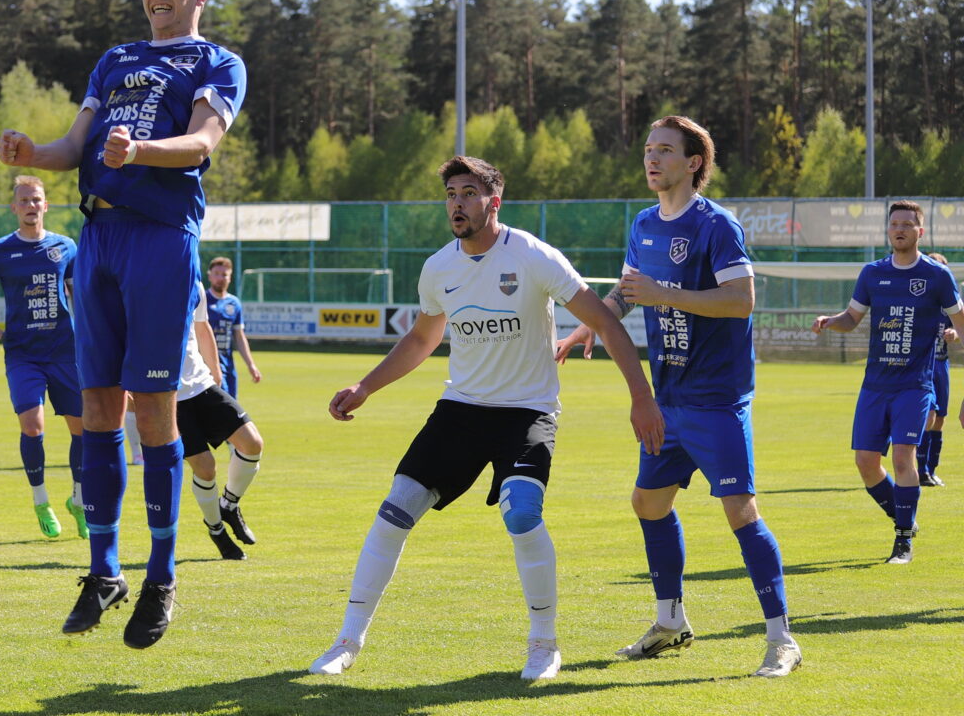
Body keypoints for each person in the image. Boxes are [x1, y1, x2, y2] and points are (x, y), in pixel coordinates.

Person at [308, 155, 664, 681]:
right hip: (461, 410)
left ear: (493, 201)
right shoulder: (439, 268)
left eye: (468, 193)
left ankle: (544, 645)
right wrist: (365, 386)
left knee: (522, 514)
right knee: (395, 508)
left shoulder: (534, 256)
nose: (457, 203)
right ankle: (346, 641)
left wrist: (641, 397)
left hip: (527, 411)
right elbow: (422, 339)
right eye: (451, 193)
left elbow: (606, 323)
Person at [0, 0, 247, 650]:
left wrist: (137, 152)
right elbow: (76, 145)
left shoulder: (216, 62)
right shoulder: (114, 58)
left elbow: (201, 143)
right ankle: (104, 570)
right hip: (98, 239)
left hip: (162, 239)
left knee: (155, 413)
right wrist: (30, 152)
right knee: (100, 409)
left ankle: (162, 575)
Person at [557, 115, 801, 678]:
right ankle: (670, 622)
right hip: (666, 398)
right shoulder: (643, 223)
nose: (652, 159)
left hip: (717, 399)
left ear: (693, 163)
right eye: (648, 149)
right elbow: (625, 293)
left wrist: (664, 292)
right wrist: (589, 325)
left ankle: (781, 638)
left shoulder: (718, 226)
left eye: (665, 150)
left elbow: (740, 300)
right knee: (648, 503)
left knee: (741, 512)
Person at [813, 202, 964, 564]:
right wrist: (830, 321)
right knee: (865, 462)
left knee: (902, 457)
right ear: (888, 230)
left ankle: (903, 542)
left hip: (914, 385)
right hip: (874, 385)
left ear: (920, 232)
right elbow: (852, 317)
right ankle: (904, 518)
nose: (900, 229)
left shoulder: (937, 276)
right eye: (895, 223)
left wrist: (955, 334)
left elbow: (962, 321)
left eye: (908, 225)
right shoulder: (872, 273)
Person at [0, 176, 86, 541]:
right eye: (24, 200)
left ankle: (80, 501)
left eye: (36, 199)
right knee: (33, 426)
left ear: (46, 205)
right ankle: (41, 502)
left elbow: (78, 294)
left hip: (65, 353)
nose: (31, 206)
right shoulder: (0, 250)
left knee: (82, 431)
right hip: (23, 355)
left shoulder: (65, 246)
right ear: (14, 208)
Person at [178, 282, 264, 560]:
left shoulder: (194, 283)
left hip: (202, 383)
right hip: (166, 392)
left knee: (252, 443)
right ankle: (216, 530)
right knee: (205, 467)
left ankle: (229, 504)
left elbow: (202, 328)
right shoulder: (142, 279)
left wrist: (215, 370)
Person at [918, 253, 956, 486]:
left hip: (942, 363)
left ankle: (931, 469)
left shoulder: (950, 303)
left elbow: (960, 327)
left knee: (940, 418)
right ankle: (920, 470)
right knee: (929, 416)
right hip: (924, 366)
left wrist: (955, 333)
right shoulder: (919, 299)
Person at [206, 257, 261, 398]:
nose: (220, 278)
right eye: (216, 273)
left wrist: (251, 365)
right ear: (209, 276)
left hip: (227, 365)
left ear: (230, 278)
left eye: (224, 274)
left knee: (230, 407)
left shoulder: (234, 303)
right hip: (204, 366)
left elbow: (239, 336)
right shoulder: (201, 300)